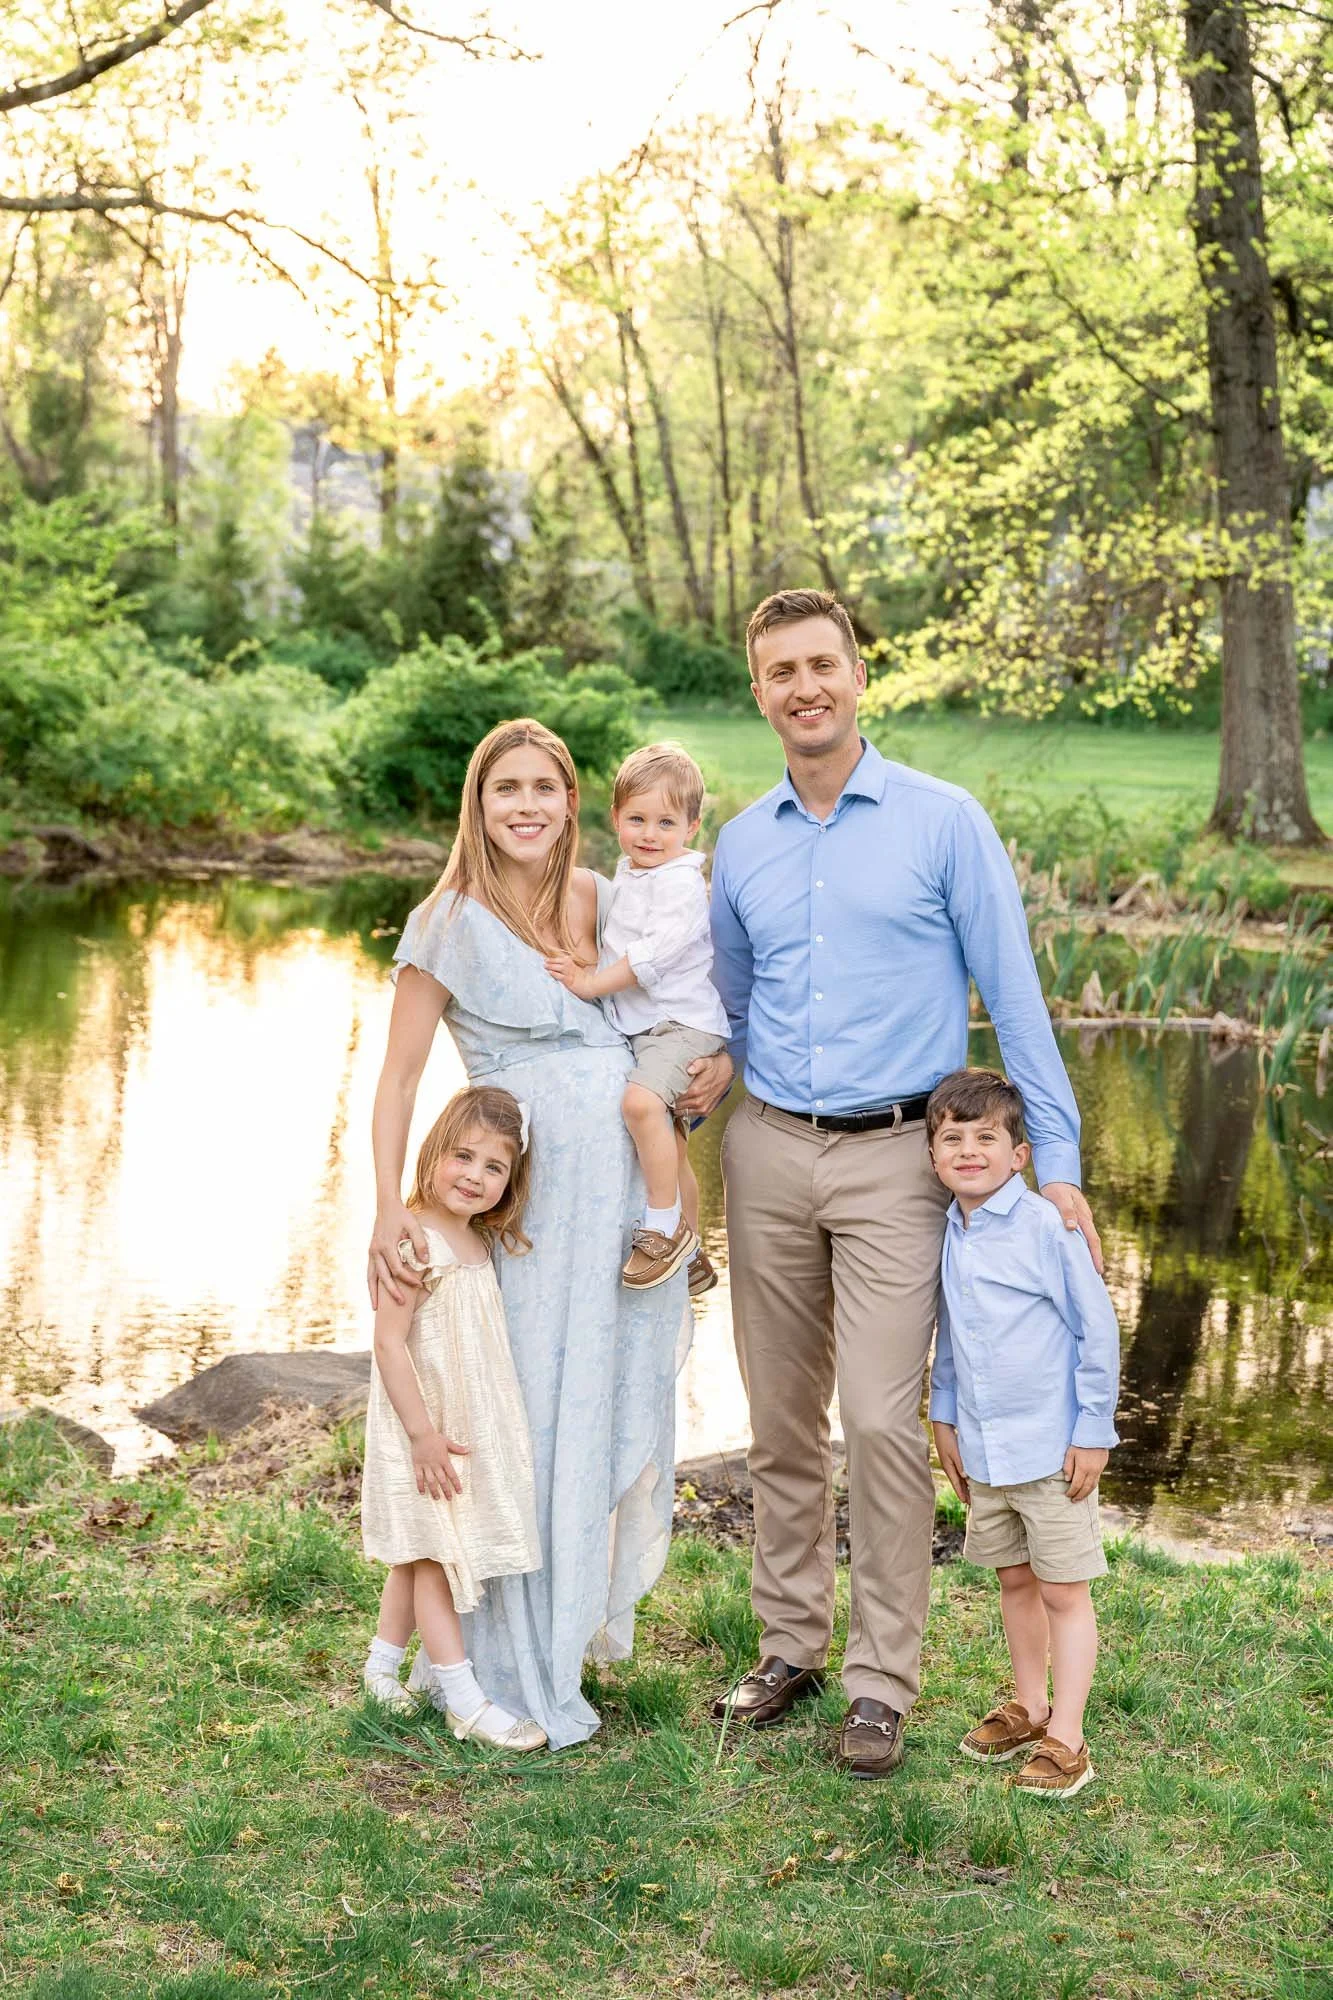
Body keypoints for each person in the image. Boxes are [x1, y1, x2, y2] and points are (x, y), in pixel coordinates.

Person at [687, 586, 1100, 1779]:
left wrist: (1053, 1166)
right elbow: (727, 1012)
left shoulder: (942, 820)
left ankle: (879, 1681)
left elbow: (1015, 1004)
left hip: (894, 1161)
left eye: (824, 664)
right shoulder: (744, 840)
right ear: (757, 691)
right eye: (780, 671)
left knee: (878, 1418)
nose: (804, 687)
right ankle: (788, 1644)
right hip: (765, 1147)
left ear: (859, 675)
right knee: (776, 1418)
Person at [366, 718, 687, 1751]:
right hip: (533, 1192)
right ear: (478, 798)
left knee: (600, 1390)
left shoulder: (592, 893)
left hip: (621, 1188)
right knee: (525, 1406)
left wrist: (699, 1078)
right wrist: (386, 1205)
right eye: (507, 785)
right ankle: (501, 1652)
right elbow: (401, 1080)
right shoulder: (443, 919)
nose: (527, 804)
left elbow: (661, 996)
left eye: (546, 785)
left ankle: (571, 1618)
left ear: (570, 799)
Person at [927, 1067, 1119, 1800]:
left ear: (1020, 1154)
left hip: (1049, 1447)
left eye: (986, 1137)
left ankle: (1067, 1739)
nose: (968, 1150)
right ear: (933, 1155)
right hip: (983, 1447)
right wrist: (943, 1414)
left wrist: (1092, 1429)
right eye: (952, 1138)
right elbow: (952, 1332)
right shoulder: (951, 1227)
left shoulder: (1047, 1226)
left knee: (1063, 1590)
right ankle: (1030, 1706)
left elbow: (1094, 1329)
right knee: (1013, 1578)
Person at [360, 1085, 545, 1751]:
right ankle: (462, 1696)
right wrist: (420, 1436)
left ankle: (382, 1671)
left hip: (455, 1426)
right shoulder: (411, 1238)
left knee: (416, 1550)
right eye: (462, 1157)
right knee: (437, 1554)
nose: (474, 1175)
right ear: (433, 1153)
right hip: (424, 1425)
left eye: (494, 1167)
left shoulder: (475, 1240)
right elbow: (388, 1341)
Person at [544, 743, 728, 1295]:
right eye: (637, 819)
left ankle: (663, 1228)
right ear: (616, 819)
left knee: (641, 1104)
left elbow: (654, 955)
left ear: (692, 827)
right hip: (649, 1027)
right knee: (668, 1136)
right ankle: (693, 1252)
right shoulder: (631, 874)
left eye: (666, 822)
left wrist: (590, 982)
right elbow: (617, 941)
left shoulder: (679, 884)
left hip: (680, 1024)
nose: (650, 834)